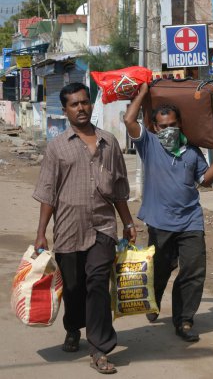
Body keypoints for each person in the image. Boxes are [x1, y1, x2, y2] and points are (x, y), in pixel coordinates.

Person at [33, 82, 136, 374]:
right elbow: (47, 192)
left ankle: (100, 348)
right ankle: (72, 327)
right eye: (74, 104)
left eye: (85, 102)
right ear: (64, 110)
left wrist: (128, 221)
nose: (81, 108)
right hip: (67, 229)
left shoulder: (110, 142)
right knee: (74, 287)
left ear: (91, 105)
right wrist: (41, 232)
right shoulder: (57, 148)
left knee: (97, 284)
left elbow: (119, 189)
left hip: (102, 227)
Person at [123, 82, 213, 342]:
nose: (168, 130)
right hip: (160, 222)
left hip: (190, 221)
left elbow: (205, 180)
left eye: (173, 125)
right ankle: (154, 299)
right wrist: (142, 93)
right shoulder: (148, 144)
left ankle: (184, 320)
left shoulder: (192, 151)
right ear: (154, 127)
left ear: (180, 125)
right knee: (160, 270)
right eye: (163, 126)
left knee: (193, 271)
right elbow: (129, 119)